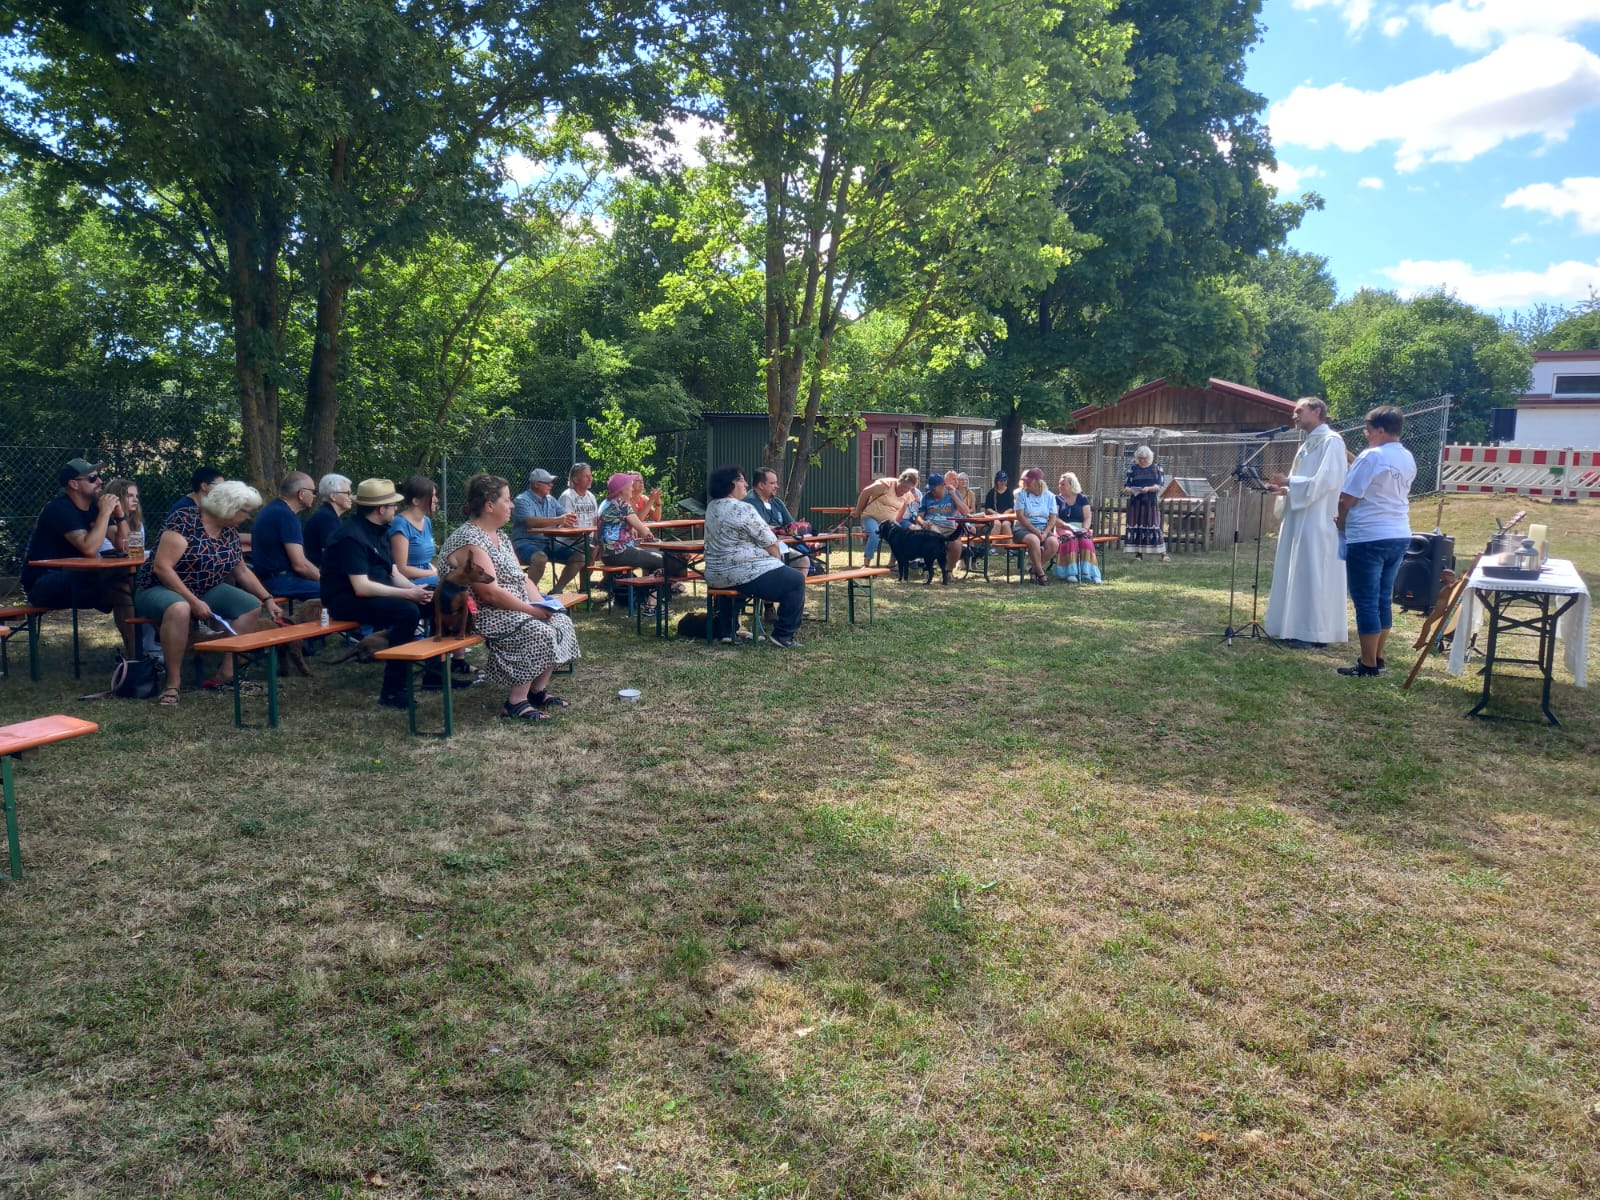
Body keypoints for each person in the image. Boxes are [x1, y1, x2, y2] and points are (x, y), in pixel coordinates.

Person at [438, 474, 581, 721]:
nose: (512, 505)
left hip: (510, 607)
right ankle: (515, 702)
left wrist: (543, 606)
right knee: (538, 630)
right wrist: (532, 611)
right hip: (481, 613)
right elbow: (489, 593)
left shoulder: (500, 536)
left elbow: (522, 578)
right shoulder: (470, 540)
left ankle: (537, 691)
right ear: (489, 505)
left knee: (560, 622)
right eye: (507, 500)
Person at [135, 480, 284, 706]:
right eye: (245, 511)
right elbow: (162, 568)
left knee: (250, 605)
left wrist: (268, 599)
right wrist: (193, 601)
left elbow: (242, 571)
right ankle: (173, 682)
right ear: (229, 507)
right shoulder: (184, 520)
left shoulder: (229, 532)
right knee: (180, 608)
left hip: (204, 588)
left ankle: (227, 675)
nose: (247, 517)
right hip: (158, 587)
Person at [320, 478, 442, 709]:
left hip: (375, 592)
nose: (397, 509)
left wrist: (415, 590)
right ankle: (392, 690)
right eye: (393, 505)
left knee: (437, 600)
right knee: (407, 612)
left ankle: (435, 676)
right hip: (345, 600)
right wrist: (407, 595)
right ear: (380, 509)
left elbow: (393, 572)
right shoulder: (351, 536)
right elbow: (361, 587)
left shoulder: (381, 531)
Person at [21, 457, 137, 655]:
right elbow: (89, 549)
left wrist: (119, 515)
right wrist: (104, 513)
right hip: (43, 582)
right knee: (121, 587)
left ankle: (138, 656)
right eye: (92, 478)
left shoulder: (94, 507)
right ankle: (139, 656)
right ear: (73, 484)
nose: (100, 481)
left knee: (130, 585)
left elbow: (124, 546)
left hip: (76, 576)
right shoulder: (58, 509)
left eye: (99, 476)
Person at [1335, 406, 1416, 677]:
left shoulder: (1372, 456)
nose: (1365, 434)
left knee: (1366, 601)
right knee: (1383, 598)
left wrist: (1341, 522)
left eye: (1368, 430)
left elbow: (1347, 497)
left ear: (1381, 431)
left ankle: (1367, 664)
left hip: (1369, 535)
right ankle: (1378, 657)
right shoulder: (1406, 456)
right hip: (1399, 532)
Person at [1264, 398, 1348, 648]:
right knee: (1297, 571)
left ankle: (1315, 632)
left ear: (1317, 411)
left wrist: (1289, 482)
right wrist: (1285, 490)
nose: (1295, 415)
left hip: (1318, 519)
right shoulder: (1308, 443)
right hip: (1299, 516)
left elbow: (1328, 480)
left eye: (1299, 411)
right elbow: (1304, 482)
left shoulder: (1331, 441)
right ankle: (1293, 626)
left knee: (1313, 572)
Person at [704, 464, 806, 649]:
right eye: (741, 480)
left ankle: (728, 631)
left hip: (715, 575)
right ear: (730, 484)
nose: (746, 484)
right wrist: (778, 563)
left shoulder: (712, 507)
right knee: (795, 580)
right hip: (744, 571)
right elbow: (770, 542)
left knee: (734, 580)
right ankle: (783, 635)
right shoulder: (743, 508)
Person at [389, 475, 470, 679]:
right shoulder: (400, 525)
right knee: (448, 596)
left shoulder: (426, 521)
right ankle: (437, 670)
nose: (436, 500)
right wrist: (435, 573)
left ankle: (457, 658)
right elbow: (401, 568)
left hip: (429, 576)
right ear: (416, 501)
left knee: (464, 589)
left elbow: (428, 560)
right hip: (408, 583)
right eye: (432, 496)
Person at [597, 472, 685, 616]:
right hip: (620, 552)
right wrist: (649, 536)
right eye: (629, 486)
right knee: (664, 561)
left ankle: (649, 599)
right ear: (621, 490)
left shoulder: (605, 504)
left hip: (607, 555)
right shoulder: (623, 505)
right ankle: (652, 605)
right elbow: (644, 530)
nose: (632, 489)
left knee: (653, 557)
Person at [250, 471, 322, 603]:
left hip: (268, 579)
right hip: (281, 582)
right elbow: (300, 565)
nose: (314, 496)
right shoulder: (286, 516)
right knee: (337, 591)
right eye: (313, 491)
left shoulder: (272, 509)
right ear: (301, 493)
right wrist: (327, 581)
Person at [511, 468, 580, 585]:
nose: (551, 485)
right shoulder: (522, 500)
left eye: (551, 482)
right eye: (547, 482)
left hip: (549, 542)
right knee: (540, 558)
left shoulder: (550, 499)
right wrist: (559, 520)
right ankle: (529, 592)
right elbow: (530, 521)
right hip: (525, 543)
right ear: (536, 484)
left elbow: (564, 515)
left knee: (579, 557)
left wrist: (570, 518)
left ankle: (557, 590)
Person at [744, 467, 811, 577]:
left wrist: (798, 527)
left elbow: (790, 525)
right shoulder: (750, 502)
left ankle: (796, 588)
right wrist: (784, 530)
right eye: (772, 483)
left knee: (803, 560)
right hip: (761, 549)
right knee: (787, 561)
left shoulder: (776, 501)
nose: (777, 486)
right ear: (761, 485)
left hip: (781, 545)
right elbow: (762, 529)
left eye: (776, 483)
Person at [850, 469, 918, 564]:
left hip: (888, 522)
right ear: (899, 481)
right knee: (875, 535)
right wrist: (858, 510)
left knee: (900, 536)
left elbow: (901, 512)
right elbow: (865, 492)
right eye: (903, 487)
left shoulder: (908, 495)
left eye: (908, 488)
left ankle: (892, 563)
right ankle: (866, 562)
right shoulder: (885, 485)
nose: (904, 490)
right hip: (871, 516)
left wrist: (896, 525)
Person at [914, 472, 969, 583]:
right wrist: (922, 523)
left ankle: (948, 571)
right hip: (931, 526)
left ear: (942, 485)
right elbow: (918, 517)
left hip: (948, 527)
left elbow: (965, 512)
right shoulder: (927, 497)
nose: (932, 491)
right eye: (930, 489)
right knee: (933, 535)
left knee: (956, 544)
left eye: (934, 489)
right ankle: (928, 568)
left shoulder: (953, 493)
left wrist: (953, 495)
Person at [554, 462, 599, 594]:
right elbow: (566, 523)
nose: (590, 479)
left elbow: (595, 521)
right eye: (586, 476)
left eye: (590, 476)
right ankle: (558, 589)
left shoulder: (591, 496)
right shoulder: (567, 496)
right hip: (567, 541)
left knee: (601, 548)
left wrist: (597, 540)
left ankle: (586, 589)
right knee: (588, 550)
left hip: (587, 539)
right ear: (575, 479)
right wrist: (586, 539)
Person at [1012, 468, 1059, 585]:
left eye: (1029, 480)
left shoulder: (1050, 496)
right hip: (1023, 528)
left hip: (1043, 528)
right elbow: (1020, 517)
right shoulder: (1022, 495)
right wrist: (1035, 531)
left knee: (1054, 543)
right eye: (1025, 480)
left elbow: (1053, 518)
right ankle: (1041, 573)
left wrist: (1046, 532)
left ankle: (1033, 569)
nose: (1026, 483)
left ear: (1038, 482)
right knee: (1034, 540)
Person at [1053, 472, 1102, 583]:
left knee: (1086, 541)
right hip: (1063, 528)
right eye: (1059, 484)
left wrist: (1085, 528)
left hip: (1080, 528)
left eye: (1063, 484)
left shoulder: (1082, 498)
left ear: (1072, 485)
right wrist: (1066, 525)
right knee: (1070, 538)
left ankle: (1089, 573)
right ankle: (1070, 572)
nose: (1060, 486)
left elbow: (1088, 517)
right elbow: (1054, 518)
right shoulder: (1057, 499)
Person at [1122, 446, 1169, 561]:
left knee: (1154, 525)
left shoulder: (1156, 468)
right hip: (1136, 503)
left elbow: (1159, 485)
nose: (1142, 460)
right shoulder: (1133, 469)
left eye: (1145, 458)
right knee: (1137, 526)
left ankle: (1163, 554)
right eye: (1140, 458)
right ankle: (1138, 554)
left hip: (1150, 502)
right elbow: (1126, 486)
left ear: (1149, 457)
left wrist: (1148, 489)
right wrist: (1131, 490)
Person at [304, 473, 352, 568]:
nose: (351, 497)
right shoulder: (327, 519)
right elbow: (332, 556)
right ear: (333, 496)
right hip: (318, 573)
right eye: (348, 493)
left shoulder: (328, 515)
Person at [101, 478, 146, 555]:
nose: (136, 500)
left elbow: (136, 551)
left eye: (136, 496)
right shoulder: (104, 521)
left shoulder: (137, 522)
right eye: (130, 496)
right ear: (117, 497)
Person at [983, 469, 1015, 537]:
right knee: (997, 524)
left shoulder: (1009, 492)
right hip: (994, 517)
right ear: (997, 481)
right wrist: (995, 513)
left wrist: (1007, 512)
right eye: (1001, 481)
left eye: (1004, 481)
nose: (1003, 483)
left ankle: (1009, 543)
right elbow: (987, 508)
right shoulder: (991, 493)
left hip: (1006, 517)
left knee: (1006, 525)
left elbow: (1012, 507)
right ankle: (993, 543)